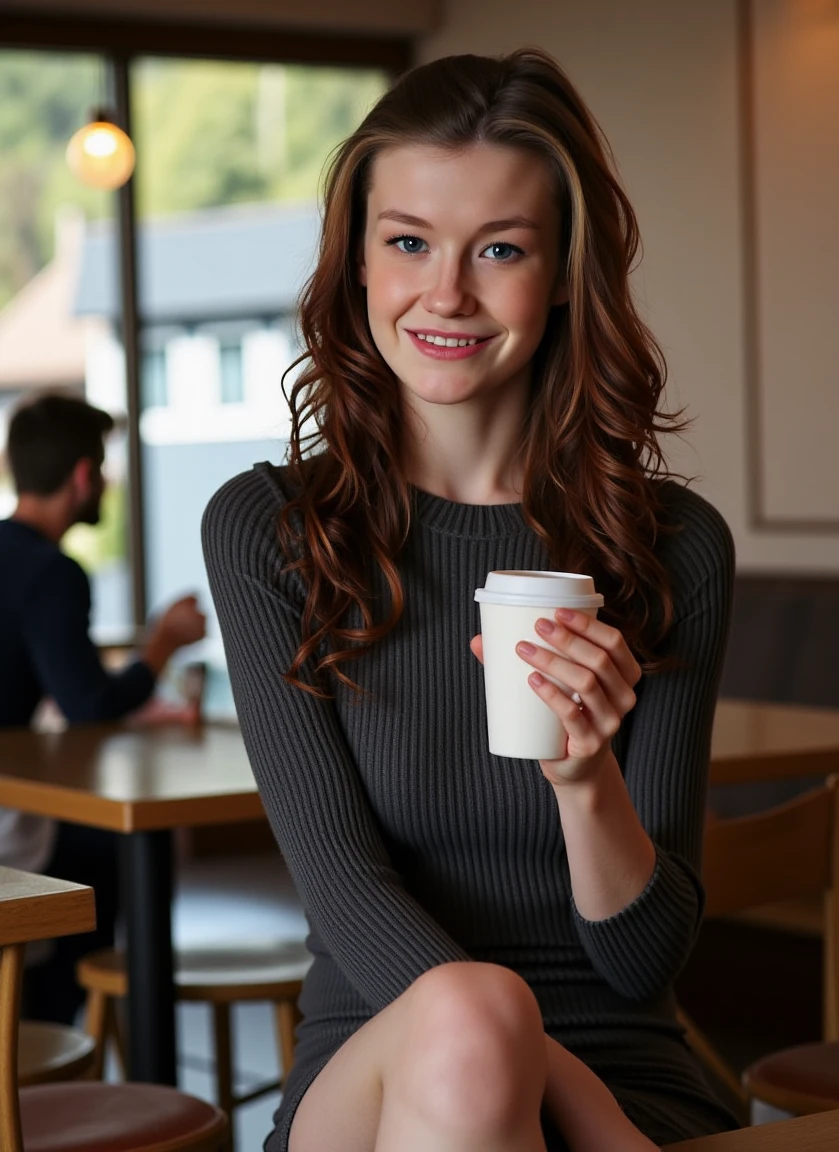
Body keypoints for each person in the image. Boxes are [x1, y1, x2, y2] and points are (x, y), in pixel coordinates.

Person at [203, 48, 738, 1152]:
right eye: (407, 242)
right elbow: (348, 900)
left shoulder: (673, 548)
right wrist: (568, 1107)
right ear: (356, 262)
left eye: (498, 249)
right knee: (463, 1017)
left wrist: (585, 779)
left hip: (629, 1070)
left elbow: (642, 965)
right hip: (380, 1074)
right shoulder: (273, 534)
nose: (444, 292)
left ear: (559, 276)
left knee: (482, 1024)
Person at [0, 391, 206, 1023]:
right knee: (108, 853)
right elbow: (87, 703)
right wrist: (161, 646)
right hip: (6, 826)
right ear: (84, 476)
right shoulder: (51, 572)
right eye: (104, 471)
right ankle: (71, 1025)